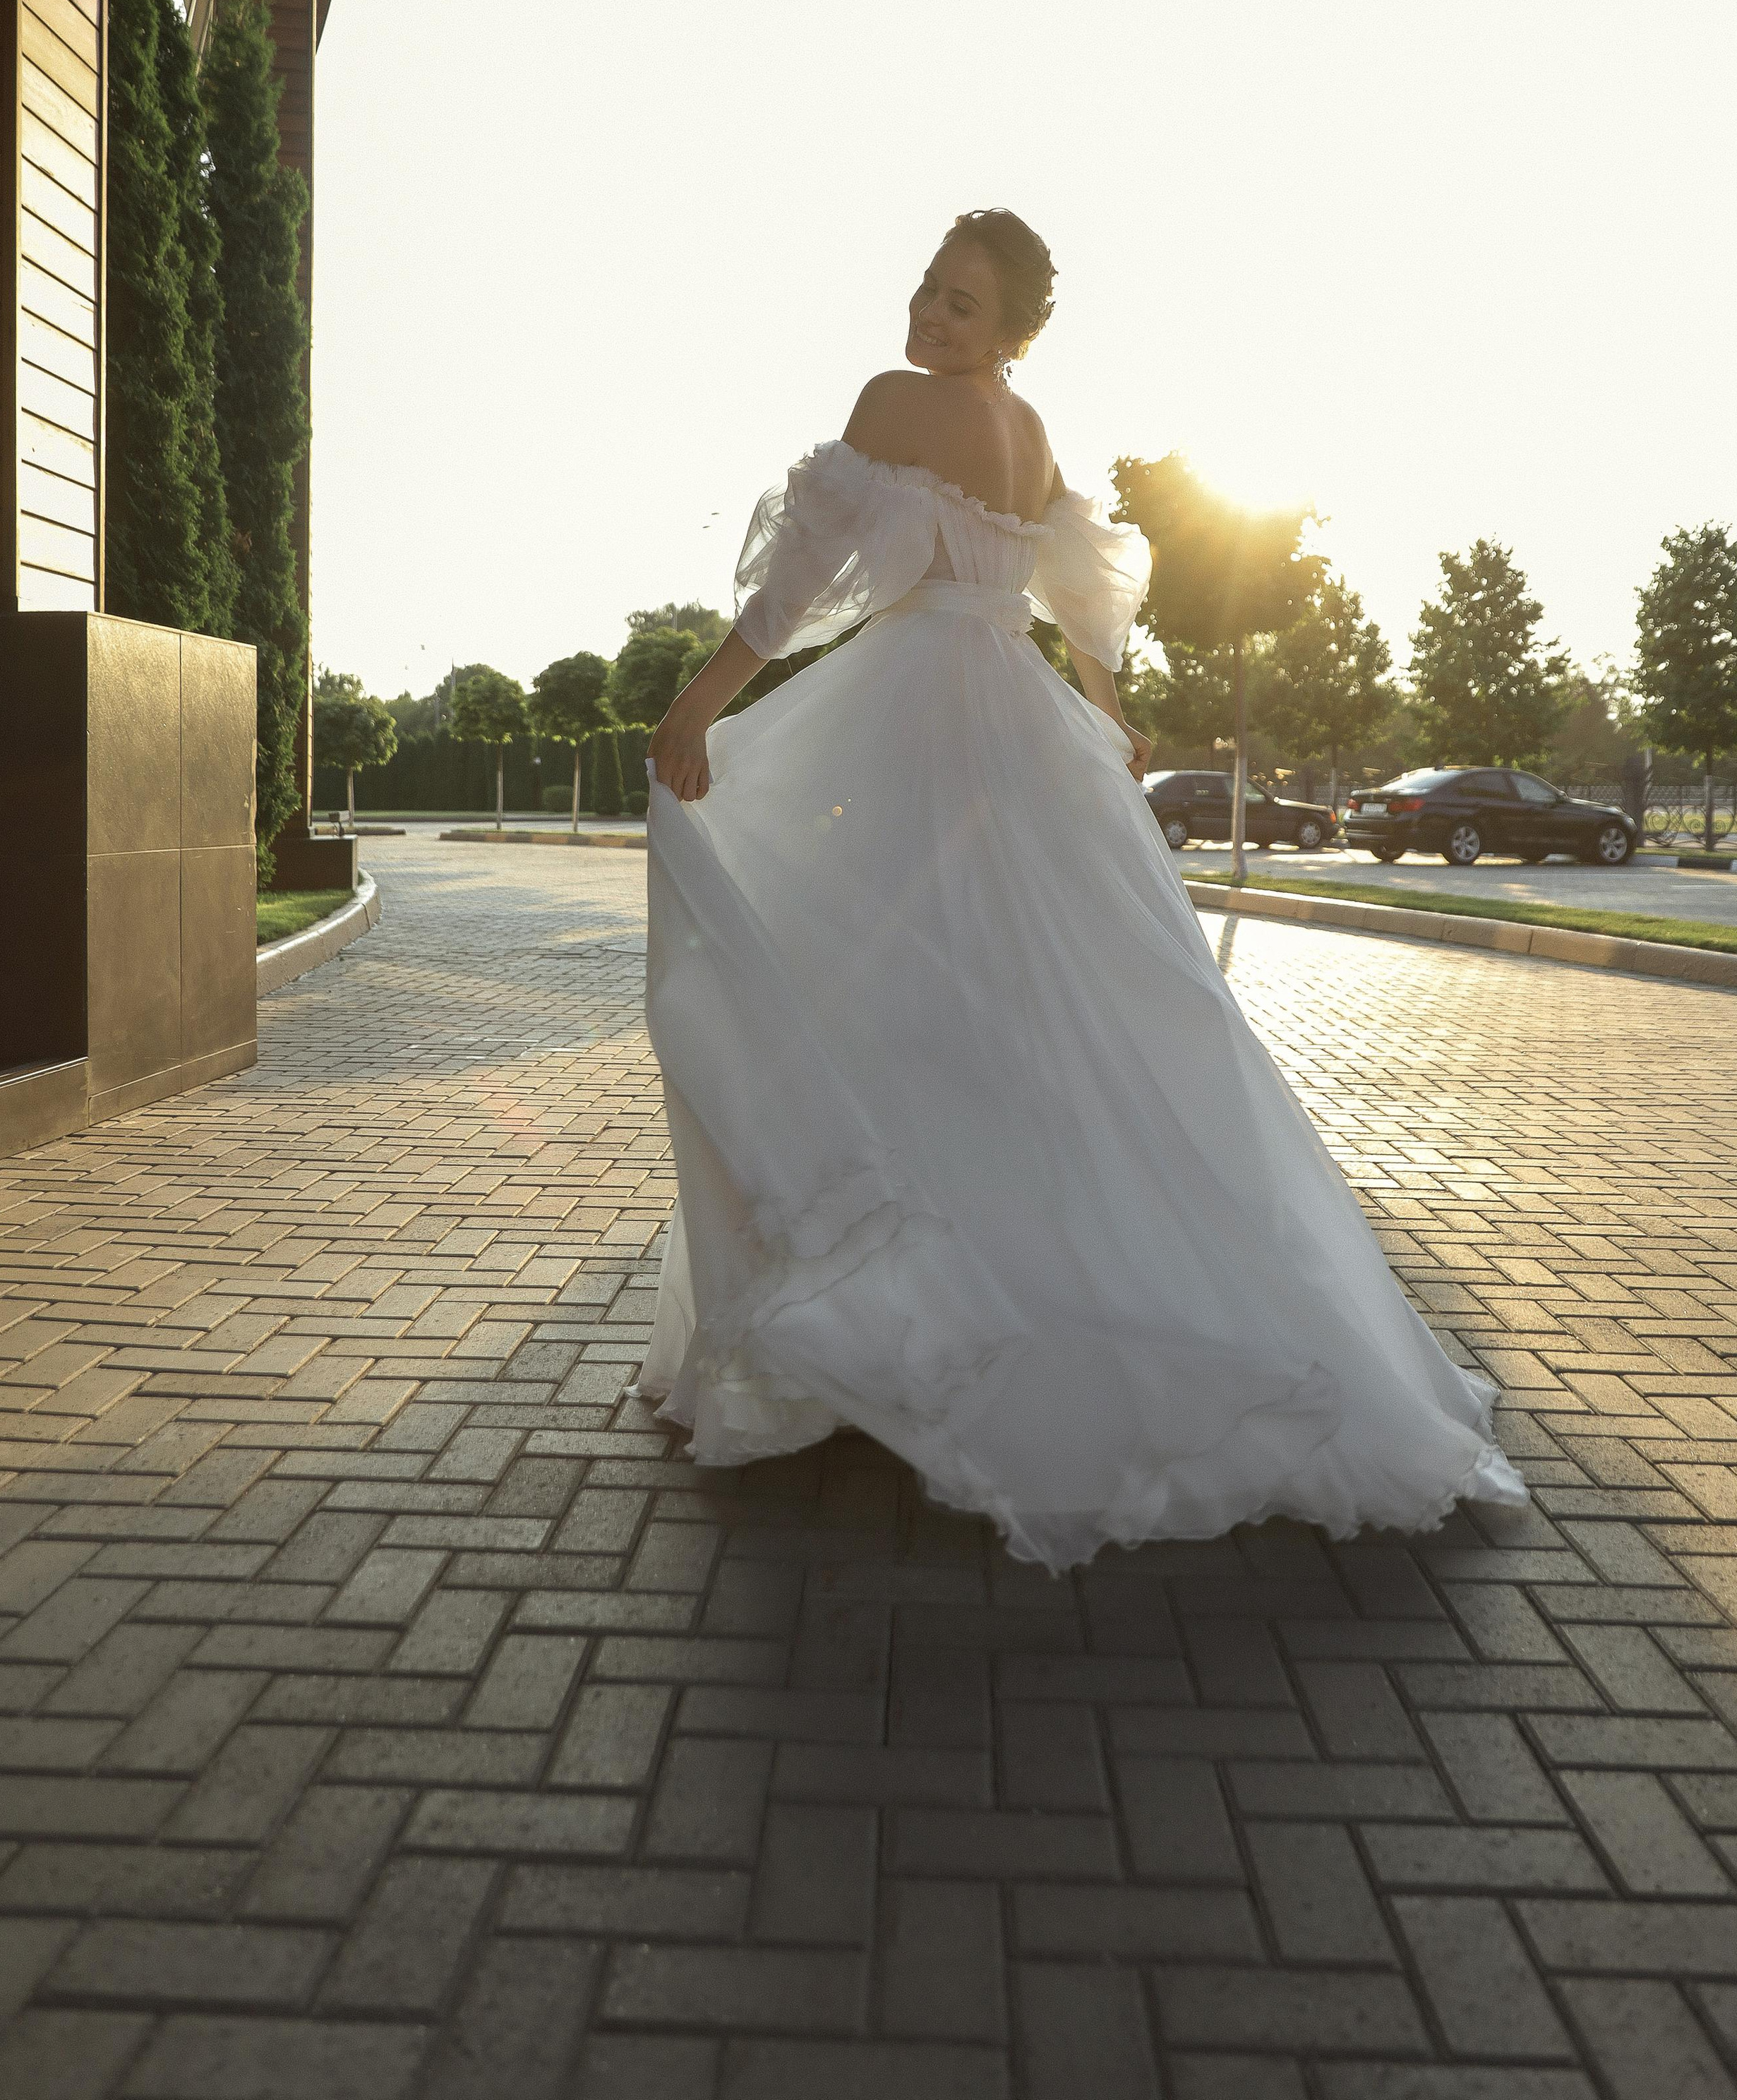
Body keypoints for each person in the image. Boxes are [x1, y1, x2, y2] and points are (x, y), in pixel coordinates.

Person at [639, 210, 1522, 1571]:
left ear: (1011, 331)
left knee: (888, 1000)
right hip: (1018, 723)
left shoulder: (897, 405)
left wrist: (697, 706)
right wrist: (1106, 715)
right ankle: (1003, 1300)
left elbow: (801, 584)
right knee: (1030, 1023)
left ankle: (912, 1328)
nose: (933, 317)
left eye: (965, 306)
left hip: (925, 717)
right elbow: (1071, 597)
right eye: (930, 290)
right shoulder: (1032, 430)